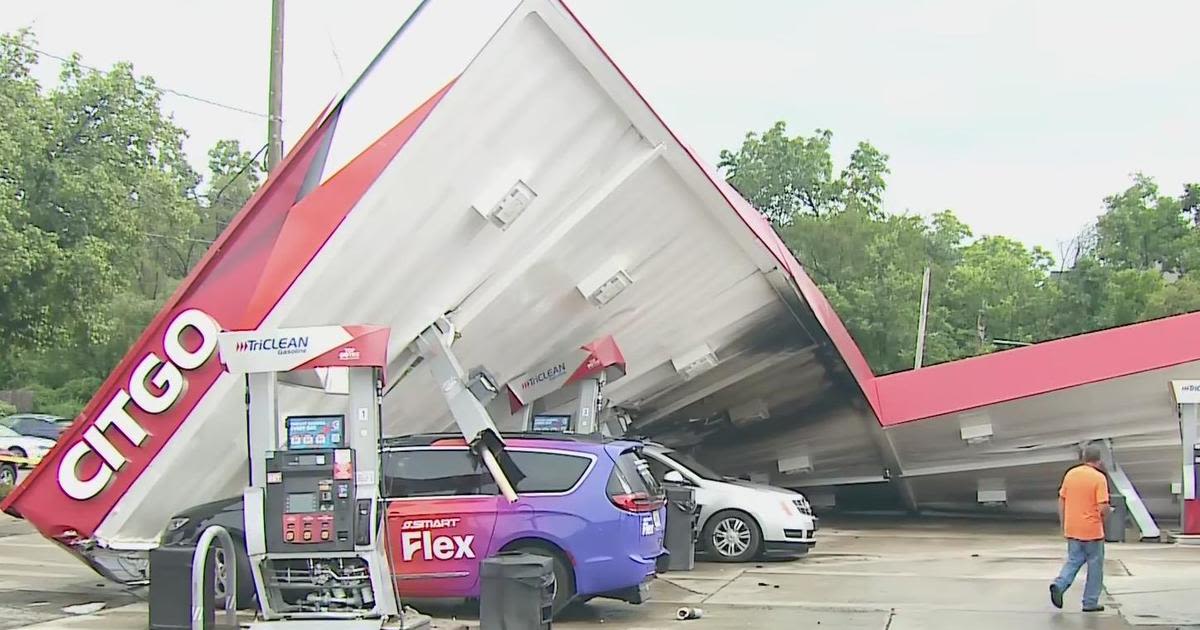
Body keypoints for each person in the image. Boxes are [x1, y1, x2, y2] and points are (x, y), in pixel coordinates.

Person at [1049, 444, 1111, 612]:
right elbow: (1103, 506)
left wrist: (1064, 523)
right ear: (1098, 460)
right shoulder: (1099, 478)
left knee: (1074, 560)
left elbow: (1062, 500)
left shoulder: (1071, 474)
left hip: (1072, 528)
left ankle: (1059, 584)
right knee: (1095, 566)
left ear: (1083, 458)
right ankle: (1090, 602)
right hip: (1092, 530)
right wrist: (1106, 516)